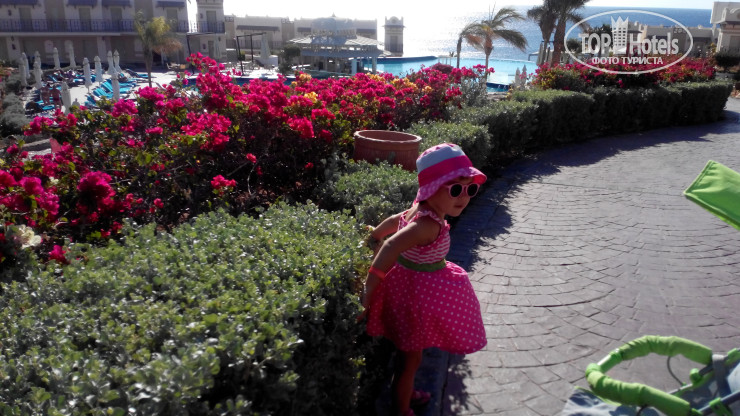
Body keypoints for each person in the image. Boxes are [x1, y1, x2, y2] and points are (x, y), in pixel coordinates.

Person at [361, 143, 488, 416]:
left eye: (470, 190)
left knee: (407, 355)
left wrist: (374, 235)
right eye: (455, 189)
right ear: (432, 188)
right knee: (409, 362)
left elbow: (394, 222)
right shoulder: (428, 225)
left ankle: (406, 393)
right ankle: (401, 408)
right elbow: (392, 245)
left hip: (406, 290)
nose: (464, 198)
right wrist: (369, 288)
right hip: (415, 301)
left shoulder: (419, 210)